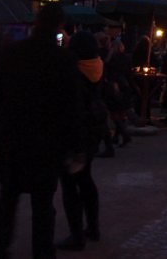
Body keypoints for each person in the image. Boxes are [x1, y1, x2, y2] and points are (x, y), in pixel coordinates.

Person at [0, 3, 84, 259]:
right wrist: (74, 144)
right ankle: (42, 252)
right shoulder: (63, 59)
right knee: (42, 203)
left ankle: (1, 249)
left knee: (8, 198)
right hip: (46, 143)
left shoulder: (12, 53)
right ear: (60, 26)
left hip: (12, 137)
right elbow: (72, 106)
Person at [57, 31, 106, 251]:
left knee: (70, 186)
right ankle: (93, 227)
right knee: (86, 181)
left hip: (75, 137)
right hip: (92, 134)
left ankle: (77, 236)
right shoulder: (97, 67)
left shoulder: (74, 74)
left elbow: (70, 110)